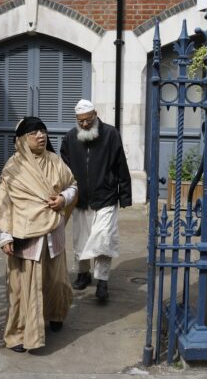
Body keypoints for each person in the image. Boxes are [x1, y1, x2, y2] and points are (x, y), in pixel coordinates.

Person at [0, 116, 77, 353]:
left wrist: (64, 198)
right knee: (23, 290)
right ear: (21, 140)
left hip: (53, 234)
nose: (41, 136)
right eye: (34, 133)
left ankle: (56, 314)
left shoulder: (55, 161)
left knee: (56, 282)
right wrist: (5, 236)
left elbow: (72, 185)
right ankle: (19, 335)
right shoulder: (12, 168)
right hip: (24, 236)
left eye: (43, 131)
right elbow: (4, 203)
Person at [60, 99, 132, 302]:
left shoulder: (110, 134)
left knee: (103, 240)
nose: (84, 124)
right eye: (80, 121)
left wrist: (125, 195)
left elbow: (121, 165)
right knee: (80, 240)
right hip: (80, 199)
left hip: (106, 197)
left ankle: (102, 281)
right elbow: (63, 170)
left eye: (88, 119)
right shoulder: (70, 138)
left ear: (95, 114)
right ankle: (83, 274)